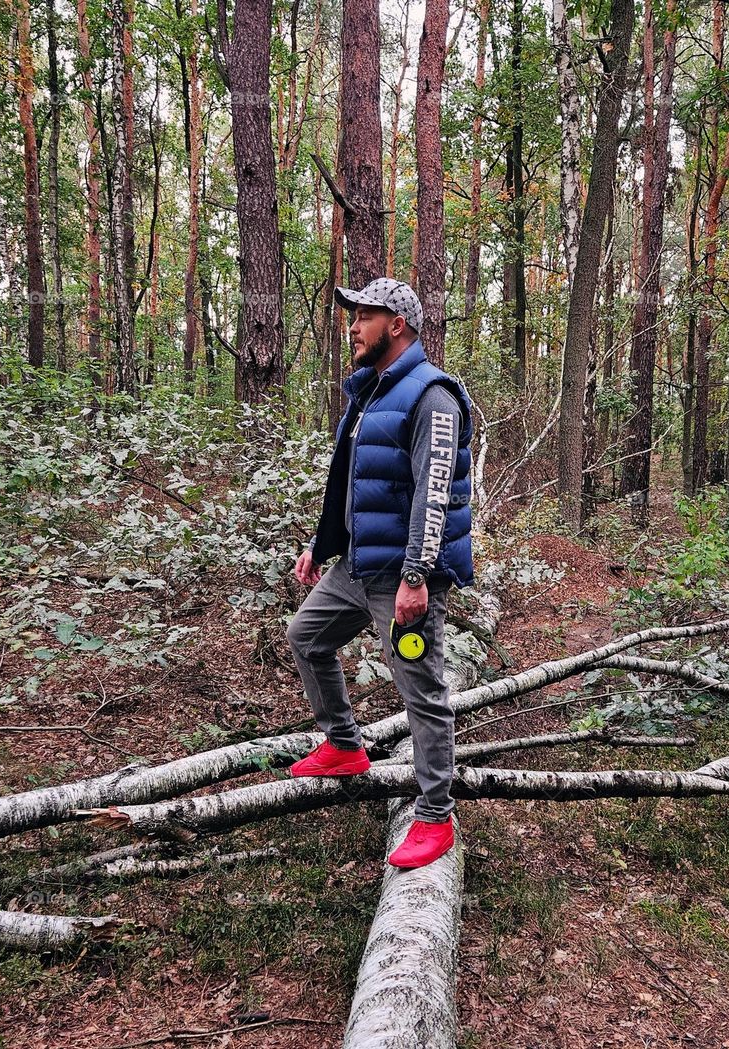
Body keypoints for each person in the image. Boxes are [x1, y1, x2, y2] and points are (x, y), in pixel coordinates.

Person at [287, 277, 474, 870]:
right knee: (306, 637)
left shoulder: (432, 396)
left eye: (363, 315)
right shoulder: (369, 392)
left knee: (421, 691)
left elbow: (434, 492)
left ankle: (435, 816)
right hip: (357, 564)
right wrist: (322, 547)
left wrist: (417, 576)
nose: (353, 325)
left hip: (403, 575)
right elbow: (351, 480)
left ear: (397, 324)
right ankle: (345, 746)